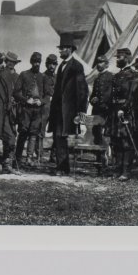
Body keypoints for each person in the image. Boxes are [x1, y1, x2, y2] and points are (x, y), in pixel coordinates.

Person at [47, 33, 88, 176]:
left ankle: (62, 168)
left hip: (68, 110)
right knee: (58, 137)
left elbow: (82, 90)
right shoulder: (61, 66)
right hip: (58, 110)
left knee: (61, 137)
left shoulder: (77, 66)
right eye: (60, 48)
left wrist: (81, 111)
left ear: (70, 49)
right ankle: (63, 167)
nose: (60, 51)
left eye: (62, 48)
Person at [107, 47, 138, 180]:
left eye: (119, 57)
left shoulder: (134, 75)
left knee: (126, 141)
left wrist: (124, 109)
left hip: (126, 112)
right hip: (115, 111)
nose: (117, 59)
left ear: (127, 58)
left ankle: (126, 171)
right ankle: (117, 169)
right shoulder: (116, 76)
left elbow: (133, 95)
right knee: (116, 141)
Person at [12, 52, 46, 169]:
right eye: (35, 62)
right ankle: (17, 159)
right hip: (26, 110)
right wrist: (26, 100)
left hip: (38, 111)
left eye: (39, 62)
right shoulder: (24, 74)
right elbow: (16, 92)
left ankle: (29, 158)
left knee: (33, 134)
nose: (37, 64)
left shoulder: (43, 77)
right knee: (23, 133)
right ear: (31, 62)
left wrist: (41, 101)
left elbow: (47, 95)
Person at [88, 54, 114, 174]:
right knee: (97, 134)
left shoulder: (110, 77)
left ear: (107, 64)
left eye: (101, 62)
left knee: (105, 136)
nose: (98, 65)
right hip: (97, 111)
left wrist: (102, 102)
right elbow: (93, 94)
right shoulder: (97, 78)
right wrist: (92, 99)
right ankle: (99, 162)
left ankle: (105, 162)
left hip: (106, 111)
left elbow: (111, 94)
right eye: (97, 62)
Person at [39, 53, 58, 163]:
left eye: (54, 64)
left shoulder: (58, 77)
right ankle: (39, 154)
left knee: (56, 131)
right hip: (44, 107)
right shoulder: (42, 76)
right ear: (46, 64)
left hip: (55, 108)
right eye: (50, 64)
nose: (52, 66)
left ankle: (53, 155)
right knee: (41, 130)